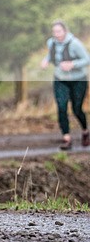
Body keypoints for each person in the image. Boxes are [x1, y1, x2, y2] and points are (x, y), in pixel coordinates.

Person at [40, 20, 90, 150]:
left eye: (59, 31)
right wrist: (45, 61)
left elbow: (87, 59)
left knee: (76, 109)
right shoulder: (51, 43)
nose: (56, 34)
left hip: (78, 80)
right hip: (60, 79)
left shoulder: (75, 44)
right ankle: (66, 138)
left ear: (65, 31)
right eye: (54, 32)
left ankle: (85, 131)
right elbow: (50, 55)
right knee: (61, 106)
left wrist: (72, 64)